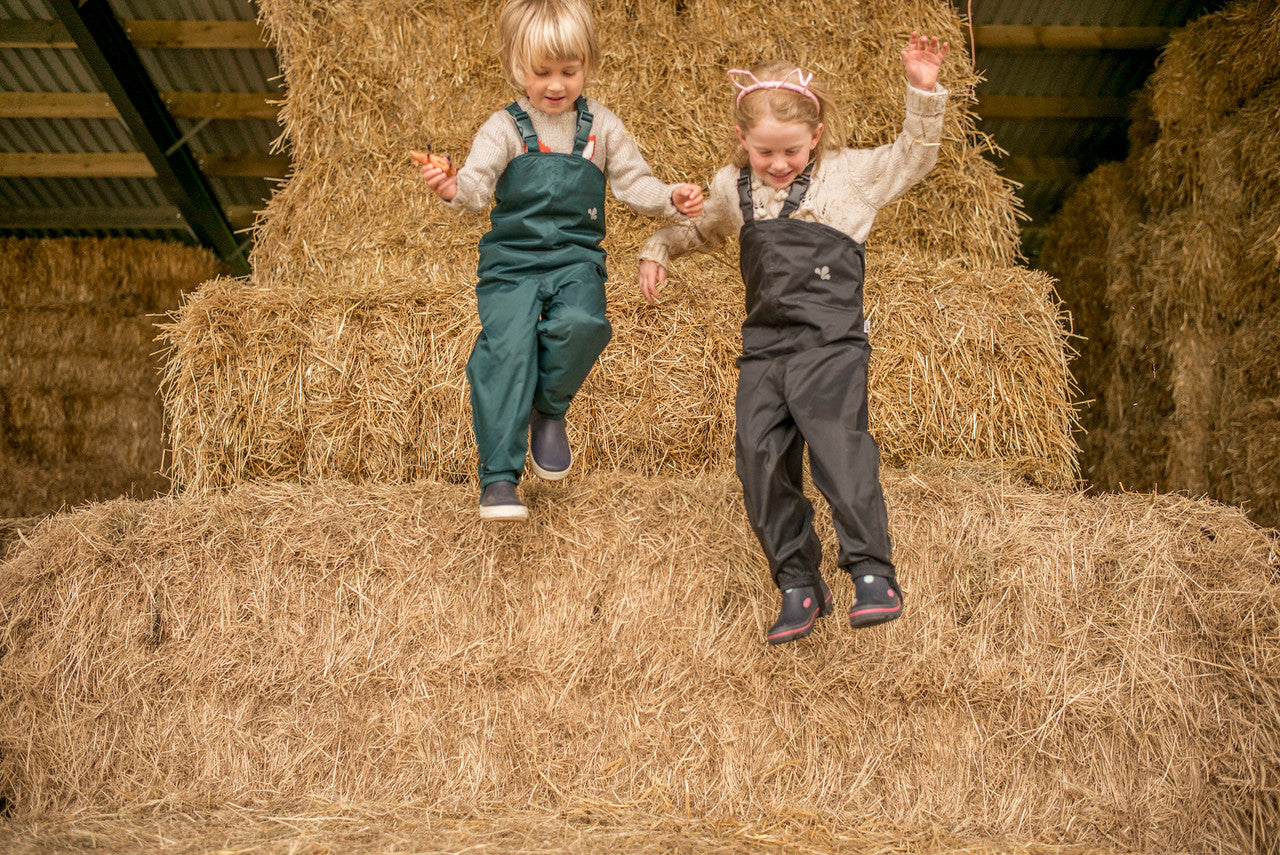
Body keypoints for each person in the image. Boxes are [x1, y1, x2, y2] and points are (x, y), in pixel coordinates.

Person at [638, 33, 948, 643]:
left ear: (817, 136)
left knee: (838, 451)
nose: (778, 165)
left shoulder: (850, 178)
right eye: (764, 154)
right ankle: (798, 583)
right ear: (744, 145)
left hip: (830, 349)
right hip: (765, 353)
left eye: (791, 152)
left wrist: (922, 89)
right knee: (758, 460)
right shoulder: (734, 188)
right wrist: (658, 249)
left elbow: (914, 155)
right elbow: (696, 230)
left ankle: (871, 572)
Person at [417, 0, 704, 521]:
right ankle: (500, 479)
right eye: (541, 72)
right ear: (516, 69)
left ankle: (548, 409)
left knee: (582, 323)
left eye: (569, 72)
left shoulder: (602, 127)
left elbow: (632, 182)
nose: (555, 85)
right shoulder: (504, 128)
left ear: (587, 67)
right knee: (508, 352)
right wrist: (453, 187)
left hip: (576, 260)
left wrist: (671, 199)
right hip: (512, 264)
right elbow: (477, 186)